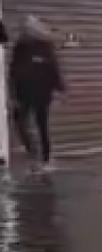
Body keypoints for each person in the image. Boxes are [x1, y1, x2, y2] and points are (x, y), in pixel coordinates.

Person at [9, 16, 63, 168]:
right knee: (20, 122)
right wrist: (13, 93)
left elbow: (53, 69)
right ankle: (33, 151)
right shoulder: (20, 48)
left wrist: (59, 89)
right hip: (23, 92)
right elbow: (13, 71)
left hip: (41, 93)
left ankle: (45, 158)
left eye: (29, 27)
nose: (27, 30)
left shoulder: (45, 47)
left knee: (41, 125)